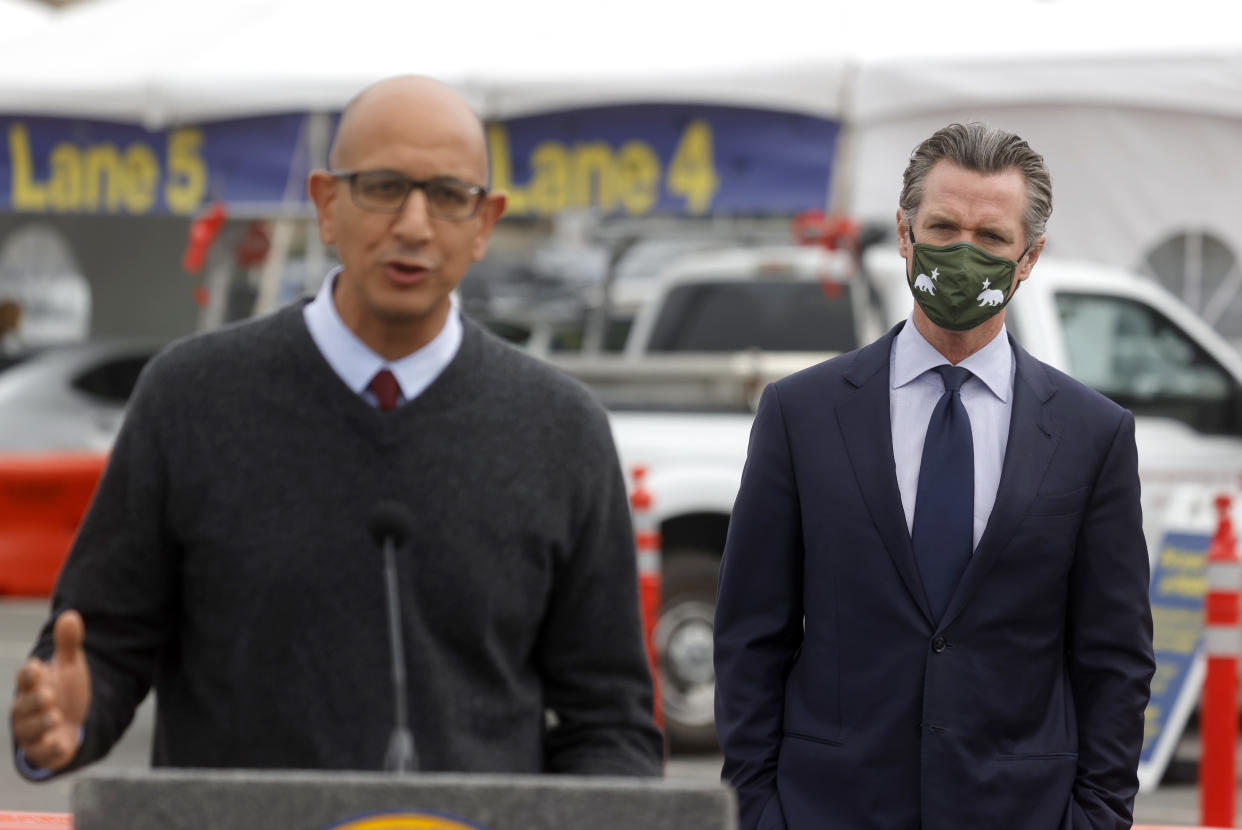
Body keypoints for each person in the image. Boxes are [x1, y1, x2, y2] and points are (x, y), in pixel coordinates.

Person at [10, 75, 662, 779]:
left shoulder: (562, 431)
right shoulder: (190, 398)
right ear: (326, 204)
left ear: (485, 223)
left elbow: (609, 719)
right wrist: (66, 719)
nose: (413, 224)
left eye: (448, 195)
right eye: (382, 186)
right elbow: (102, 646)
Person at [713, 122, 1155, 829]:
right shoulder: (802, 413)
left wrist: (1099, 817)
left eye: (991, 238)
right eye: (943, 226)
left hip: (1021, 813)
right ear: (904, 232)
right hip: (827, 810)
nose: (962, 253)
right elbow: (749, 635)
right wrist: (759, 809)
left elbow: (1115, 659)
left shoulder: (1092, 435)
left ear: (1029, 256)